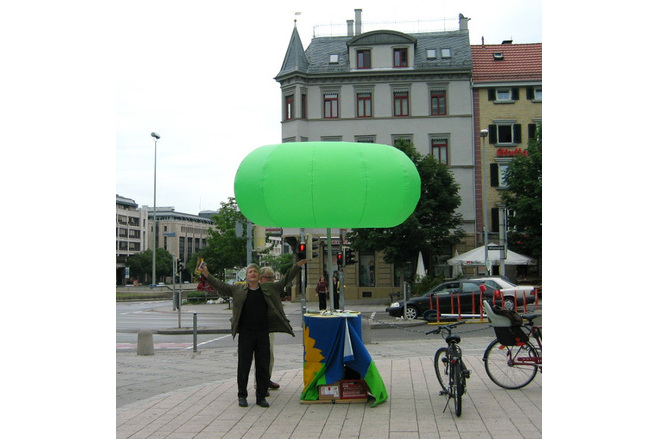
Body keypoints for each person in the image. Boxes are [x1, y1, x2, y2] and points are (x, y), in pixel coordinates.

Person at [201, 259, 307, 408]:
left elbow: (285, 280)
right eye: (250, 272)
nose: (252, 274)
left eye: (255, 272)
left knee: (263, 366)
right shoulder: (238, 290)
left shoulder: (269, 288)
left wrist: (297, 266)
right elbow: (220, 285)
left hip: (263, 333)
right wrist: (207, 274)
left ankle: (261, 396)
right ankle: (242, 395)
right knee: (243, 366)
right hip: (246, 334)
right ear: (246, 276)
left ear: (259, 276)